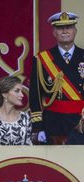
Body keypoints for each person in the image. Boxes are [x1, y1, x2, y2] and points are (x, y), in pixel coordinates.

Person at [29, 12, 84, 145]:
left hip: (81, 122)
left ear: (75, 31)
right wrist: (38, 126)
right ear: (54, 32)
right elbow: (35, 95)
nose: (65, 31)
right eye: (60, 28)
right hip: (53, 122)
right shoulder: (42, 59)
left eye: (69, 27)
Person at [0, 76, 32, 145]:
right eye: (17, 91)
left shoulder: (25, 117)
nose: (22, 95)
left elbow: (29, 146)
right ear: (4, 94)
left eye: (21, 91)